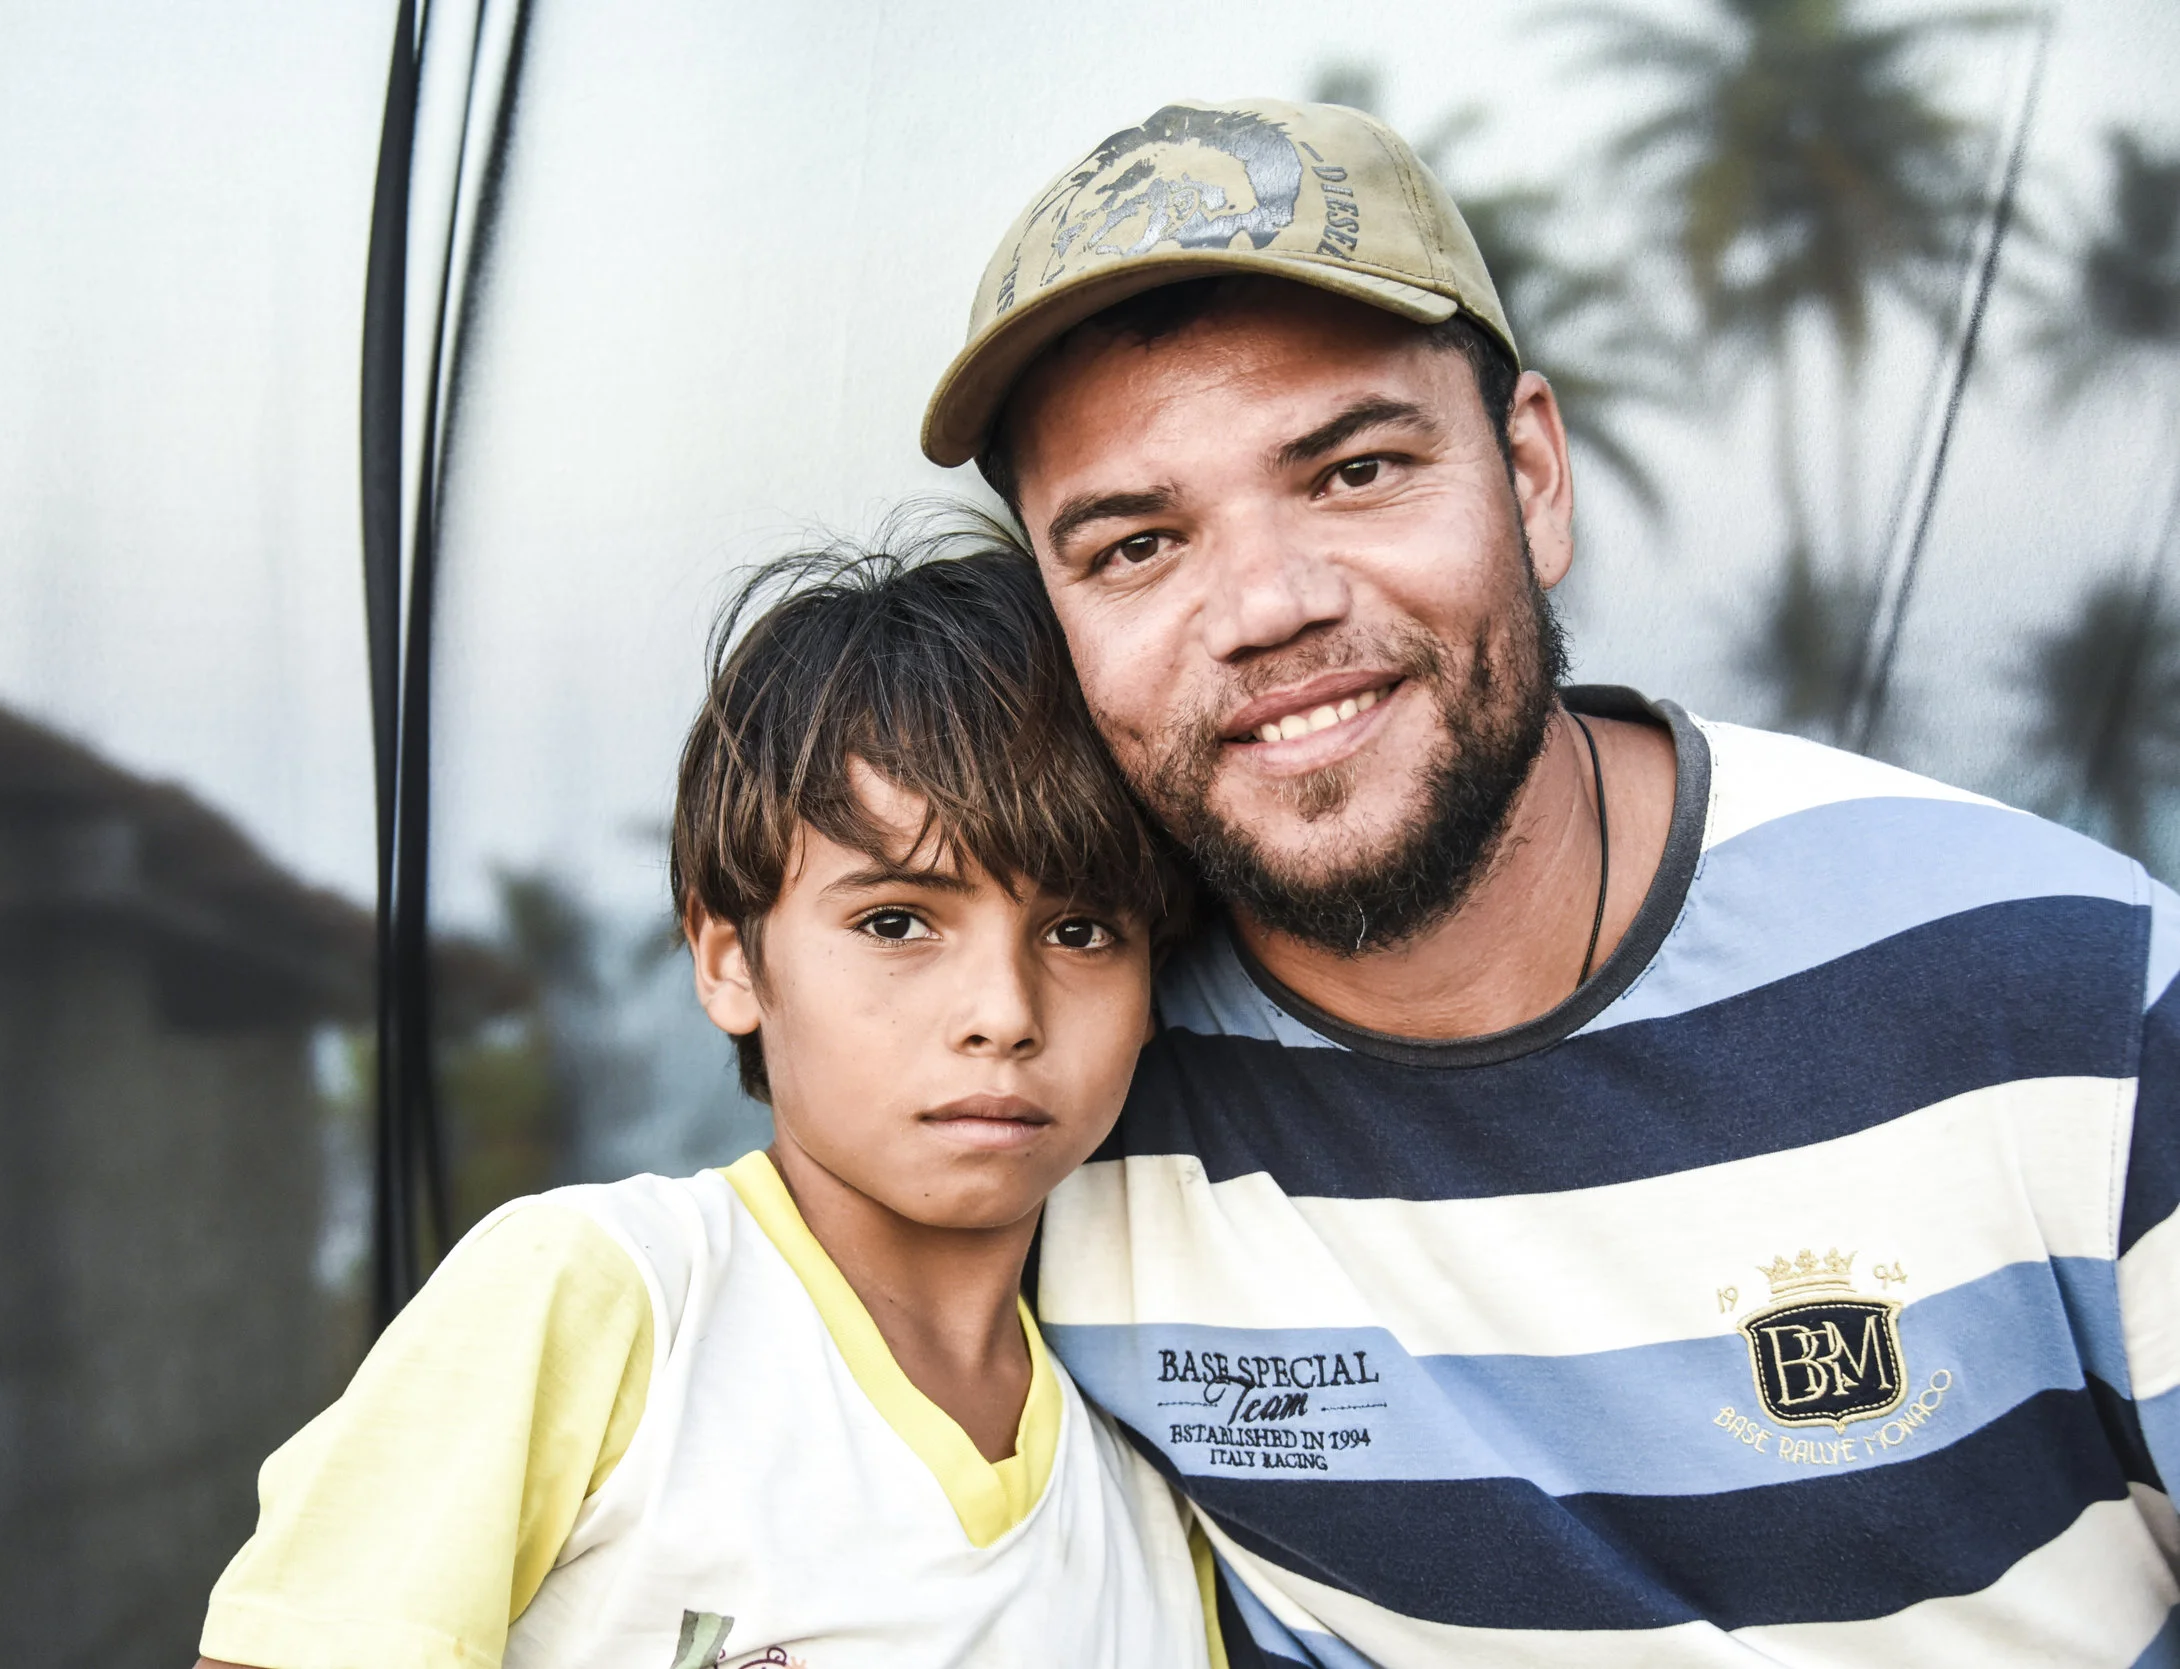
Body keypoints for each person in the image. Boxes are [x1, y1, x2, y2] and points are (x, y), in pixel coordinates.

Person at [919, 97, 2180, 1666]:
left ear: (1532, 478)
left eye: (1356, 470)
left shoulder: (2068, 998)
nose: (1263, 606)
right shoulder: (1060, 1105)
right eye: (1133, 547)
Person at [192, 544, 1216, 1668]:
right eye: (895, 922)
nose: (1003, 1012)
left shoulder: (1152, 1494)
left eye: (1081, 931)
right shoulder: (605, 1301)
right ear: (728, 958)